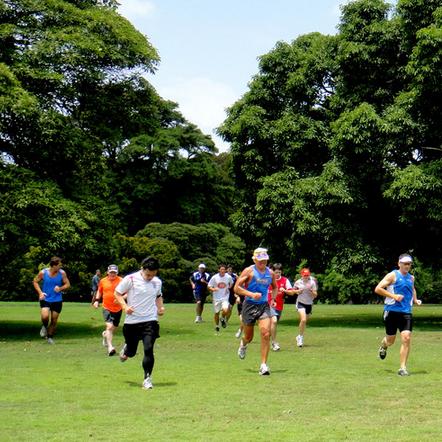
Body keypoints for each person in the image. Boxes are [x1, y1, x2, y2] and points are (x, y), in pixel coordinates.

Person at [114, 256, 165, 390]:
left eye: (153, 275)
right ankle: (127, 349)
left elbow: (158, 296)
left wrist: (160, 307)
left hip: (150, 320)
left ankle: (147, 379)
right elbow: (118, 293)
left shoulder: (157, 282)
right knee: (131, 352)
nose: (150, 277)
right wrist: (125, 307)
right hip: (132, 322)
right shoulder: (130, 279)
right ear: (142, 269)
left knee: (148, 349)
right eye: (148, 274)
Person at [374, 253, 422, 376]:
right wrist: (394, 296)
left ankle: (402, 368)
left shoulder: (411, 278)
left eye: (409, 264)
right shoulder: (392, 275)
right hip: (391, 312)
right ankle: (384, 346)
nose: (407, 266)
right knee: (390, 340)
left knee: (406, 338)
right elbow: (378, 288)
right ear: (399, 263)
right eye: (405, 263)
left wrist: (415, 300)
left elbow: (412, 288)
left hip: (406, 312)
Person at [234, 248, 277, 375]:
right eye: (260, 261)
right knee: (249, 337)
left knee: (265, 333)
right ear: (254, 260)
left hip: (264, 305)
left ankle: (263, 365)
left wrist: (273, 298)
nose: (262, 263)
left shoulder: (271, 273)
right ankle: (243, 344)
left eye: (265, 261)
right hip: (249, 305)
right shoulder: (249, 271)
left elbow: (275, 287)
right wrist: (251, 294)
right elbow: (236, 288)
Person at [33, 256, 71, 344]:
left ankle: (50, 337)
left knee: (54, 320)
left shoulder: (62, 273)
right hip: (45, 298)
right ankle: (44, 326)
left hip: (57, 299)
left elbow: (68, 284)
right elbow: (35, 281)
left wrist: (60, 288)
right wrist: (40, 293)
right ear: (53, 265)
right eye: (59, 265)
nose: (60, 267)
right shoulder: (43, 272)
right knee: (45, 316)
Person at [93, 264, 123, 356]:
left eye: (114, 272)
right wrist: (97, 300)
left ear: (117, 273)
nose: (113, 274)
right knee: (109, 326)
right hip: (106, 307)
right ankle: (110, 347)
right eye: (111, 272)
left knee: (113, 327)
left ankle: (105, 335)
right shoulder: (103, 281)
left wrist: (120, 299)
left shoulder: (121, 281)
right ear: (108, 272)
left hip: (118, 308)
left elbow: (127, 292)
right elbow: (99, 291)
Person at [268, 263, 296, 351]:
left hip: (279, 307)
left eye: (279, 272)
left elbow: (292, 293)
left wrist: (285, 290)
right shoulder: (268, 279)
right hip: (268, 305)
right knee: (274, 321)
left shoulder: (285, 280)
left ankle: (267, 340)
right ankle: (274, 343)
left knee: (271, 327)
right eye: (276, 272)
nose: (277, 274)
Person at [293, 267, 318, 348]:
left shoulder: (312, 282)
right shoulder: (298, 282)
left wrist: (312, 292)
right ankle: (300, 338)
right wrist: (297, 291)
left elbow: (315, 295)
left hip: (309, 304)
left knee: (304, 322)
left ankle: (299, 336)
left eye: (307, 275)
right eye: (304, 275)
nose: (306, 277)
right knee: (303, 319)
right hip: (300, 303)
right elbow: (293, 291)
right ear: (301, 275)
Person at [208, 264, 233, 333]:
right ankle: (217, 326)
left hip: (225, 297)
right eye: (221, 269)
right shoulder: (214, 277)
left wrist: (229, 288)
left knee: (225, 310)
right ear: (218, 270)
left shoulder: (228, 277)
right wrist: (213, 289)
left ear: (225, 270)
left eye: (224, 269)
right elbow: (209, 286)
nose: (223, 271)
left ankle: (222, 318)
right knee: (216, 312)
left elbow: (231, 283)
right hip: (216, 297)